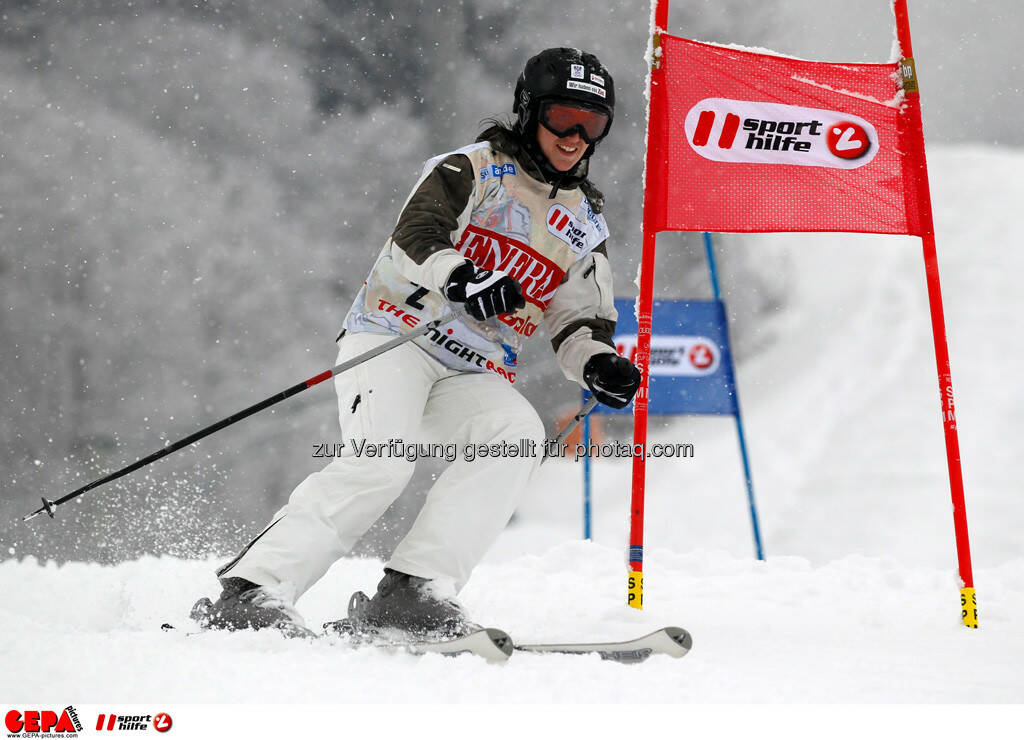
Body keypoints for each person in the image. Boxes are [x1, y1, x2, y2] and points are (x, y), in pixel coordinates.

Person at [192, 48, 642, 639]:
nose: (576, 136)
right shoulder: (472, 169)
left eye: (593, 124)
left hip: (474, 371)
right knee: (382, 460)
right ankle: (251, 591)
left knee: (518, 437)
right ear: (529, 111)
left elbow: (579, 319)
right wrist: (463, 276)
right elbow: (417, 234)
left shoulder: (583, 219)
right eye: (564, 116)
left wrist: (598, 363)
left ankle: (413, 591)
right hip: (394, 337)